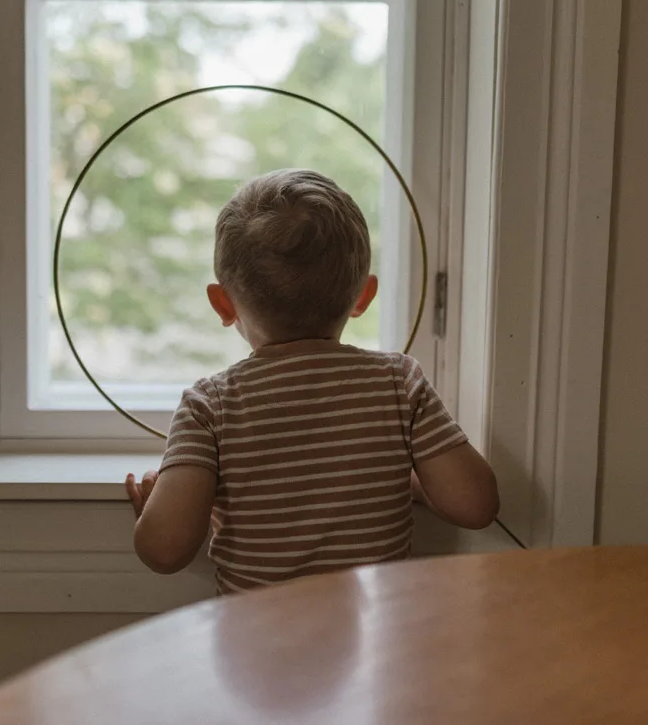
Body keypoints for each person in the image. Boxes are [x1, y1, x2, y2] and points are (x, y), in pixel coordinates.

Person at [125, 169, 500, 594]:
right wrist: (405, 476)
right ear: (363, 296)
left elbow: (164, 550)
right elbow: (476, 505)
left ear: (222, 303)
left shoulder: (210, 405)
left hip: (260, 648)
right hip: (375, 648)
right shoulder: (398, 383)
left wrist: (158, 510)